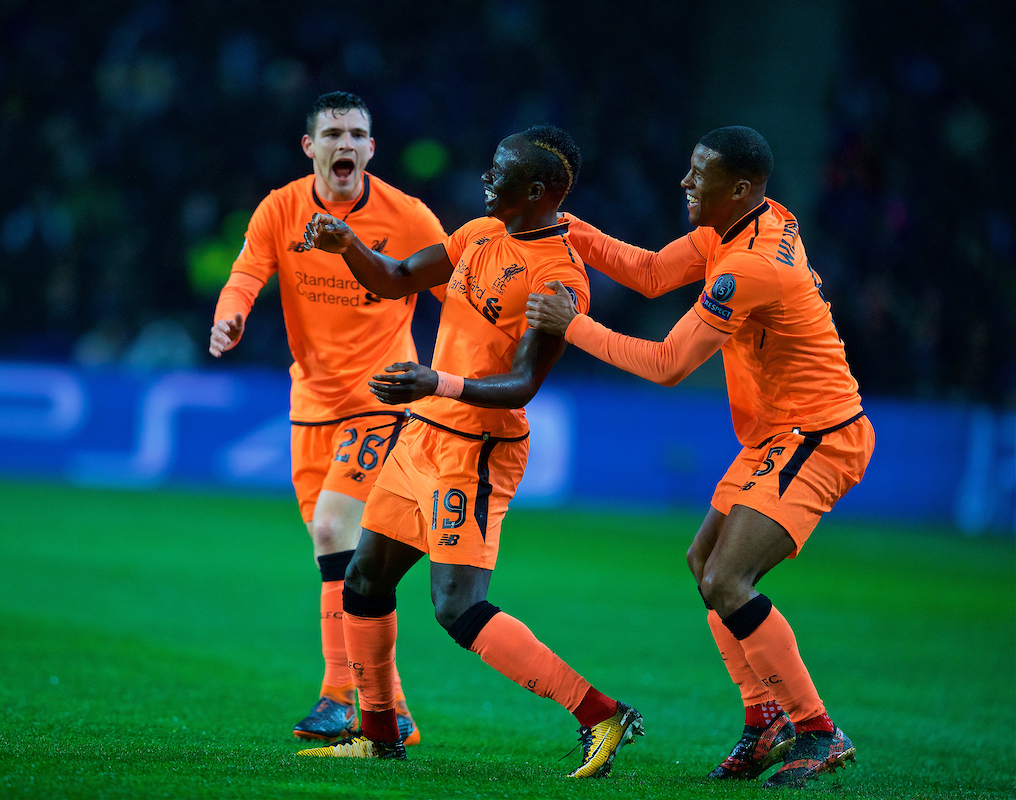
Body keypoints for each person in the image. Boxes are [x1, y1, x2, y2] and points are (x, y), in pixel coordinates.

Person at [526, 126, 871, 788]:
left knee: (726, 581)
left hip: (818, 434)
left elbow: (667, 365)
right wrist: (569, 227)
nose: (685, 183)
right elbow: (653, 273)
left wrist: (572, 325)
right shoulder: (742, 225)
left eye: (698, 174)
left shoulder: (751, 267)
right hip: (778, 433)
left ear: (739, 188)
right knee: (704, 564)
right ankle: (763, 717)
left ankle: (818, 731)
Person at [295, 124, 644, 778]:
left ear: (536, 190)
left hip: (478, 449)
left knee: (456, 605)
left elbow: (524, 384)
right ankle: (377, 735)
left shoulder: (558, 278)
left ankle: (600, 713)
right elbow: (398, 277)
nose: (485, 180)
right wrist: (347, 246)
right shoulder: (480, 234)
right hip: (423, 434)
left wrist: (440, 381)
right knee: (364, 582)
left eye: (499, 172)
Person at [208, 91, 446, 744]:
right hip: (310, 405)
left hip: (382, 402)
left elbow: (461, 292)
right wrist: (231, 312)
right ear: (309, 147)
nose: (346, 143)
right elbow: (249, 269)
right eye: (333, 133)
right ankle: (390, 709)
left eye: (358, 134)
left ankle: (339, 695)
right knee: (338, 553)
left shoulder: (409, 216)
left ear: (373, 148)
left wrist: (460, 374)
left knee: (333, 528)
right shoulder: (280, 208)